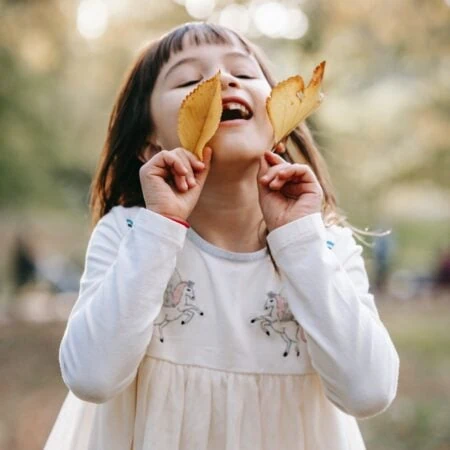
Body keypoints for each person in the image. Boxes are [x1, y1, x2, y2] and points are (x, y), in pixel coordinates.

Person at [45, 22, 399, 450]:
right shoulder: (130, 235)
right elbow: (92, 376)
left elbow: (369, 390)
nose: (222, 80)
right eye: (191, 79)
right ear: (149, 143)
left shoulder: (324, 247)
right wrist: (162, 228)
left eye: (244, 73)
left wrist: (298, 241)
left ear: (282, 122)